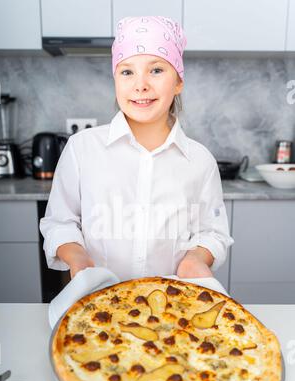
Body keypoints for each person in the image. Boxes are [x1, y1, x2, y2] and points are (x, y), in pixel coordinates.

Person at [39, 15, 234, 281]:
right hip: (97, 303)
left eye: (156, 70)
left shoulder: (200, 161)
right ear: (116, 80)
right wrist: (77, 258)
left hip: (171, 307)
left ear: (178, 82)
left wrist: (196, 258)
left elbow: (212, 232)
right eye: (127, 71)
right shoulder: (81, 149)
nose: (140, 84)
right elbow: (60, 222)